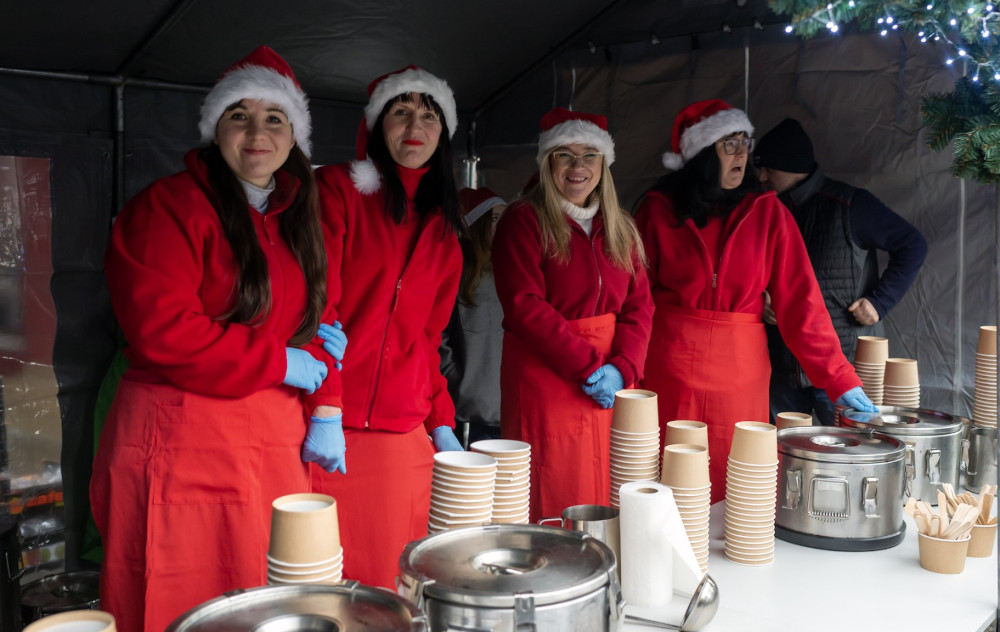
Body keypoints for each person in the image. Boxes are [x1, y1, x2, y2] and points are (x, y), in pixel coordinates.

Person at [90, 46, 346, 631]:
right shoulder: (167, 208)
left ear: (294, 137)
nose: (257, 132)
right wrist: (278, 361)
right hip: (181, 438)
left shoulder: (298, 218)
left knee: (271, 594)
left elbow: (326, 325)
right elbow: (163, 331)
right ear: (215, 129)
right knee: (179, 594)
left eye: (274, 118)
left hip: (274, 445)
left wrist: (328, 404)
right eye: (240, 115)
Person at [634, 99, 876, 503]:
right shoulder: (657, 212)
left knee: (735, 487)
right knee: (668, 484)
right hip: (668, 367)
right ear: (700, 152)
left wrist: (839, 377)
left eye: (745, 141)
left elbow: (802, 305)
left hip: (740, 372)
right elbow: (634, 300)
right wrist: (625, 368)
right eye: (729, 144)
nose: (743, 153)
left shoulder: (768, 213)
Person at [312, 66, 465, 589]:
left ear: (444, 132)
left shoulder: (444, 226)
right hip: (329, 424)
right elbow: (317, 306)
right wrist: (326, 407)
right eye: (401, 111)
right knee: (324, 578)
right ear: (378, 125)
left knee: (393, 580)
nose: (415, 124)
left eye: (429, 113)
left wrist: (441, 419)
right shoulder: (337, 191)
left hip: (402, 431)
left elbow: (427, 339)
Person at [492, 108, 653, 521]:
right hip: (546, 377)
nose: (578, 167)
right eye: (565, 154)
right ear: (548, 163)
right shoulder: (523, 220)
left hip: (609, 380)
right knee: (553, 490)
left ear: (604, 164)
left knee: (607, 489)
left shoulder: (621, 227)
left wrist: (623, 368)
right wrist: (588, 366)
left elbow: (640, 306)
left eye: (589, 155)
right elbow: (525, 305)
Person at [754, 118, 928, 425]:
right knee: (780, 459)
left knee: (847, 458)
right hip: (778, 364)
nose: (761, 175)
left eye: (769, 167)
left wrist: (880, 301)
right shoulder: (763, 210)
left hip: (841, 362)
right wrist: (761, 300)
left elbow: (912, 244)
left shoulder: (849, 204)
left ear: (793, 165)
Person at [440, 187, 507, 447]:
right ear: (476, 226)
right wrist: (458, 382)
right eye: (495, 218)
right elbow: (439, 337)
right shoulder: (454, 274)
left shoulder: (514, 270)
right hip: (464, 412)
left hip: (508, 409)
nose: (503, 225)